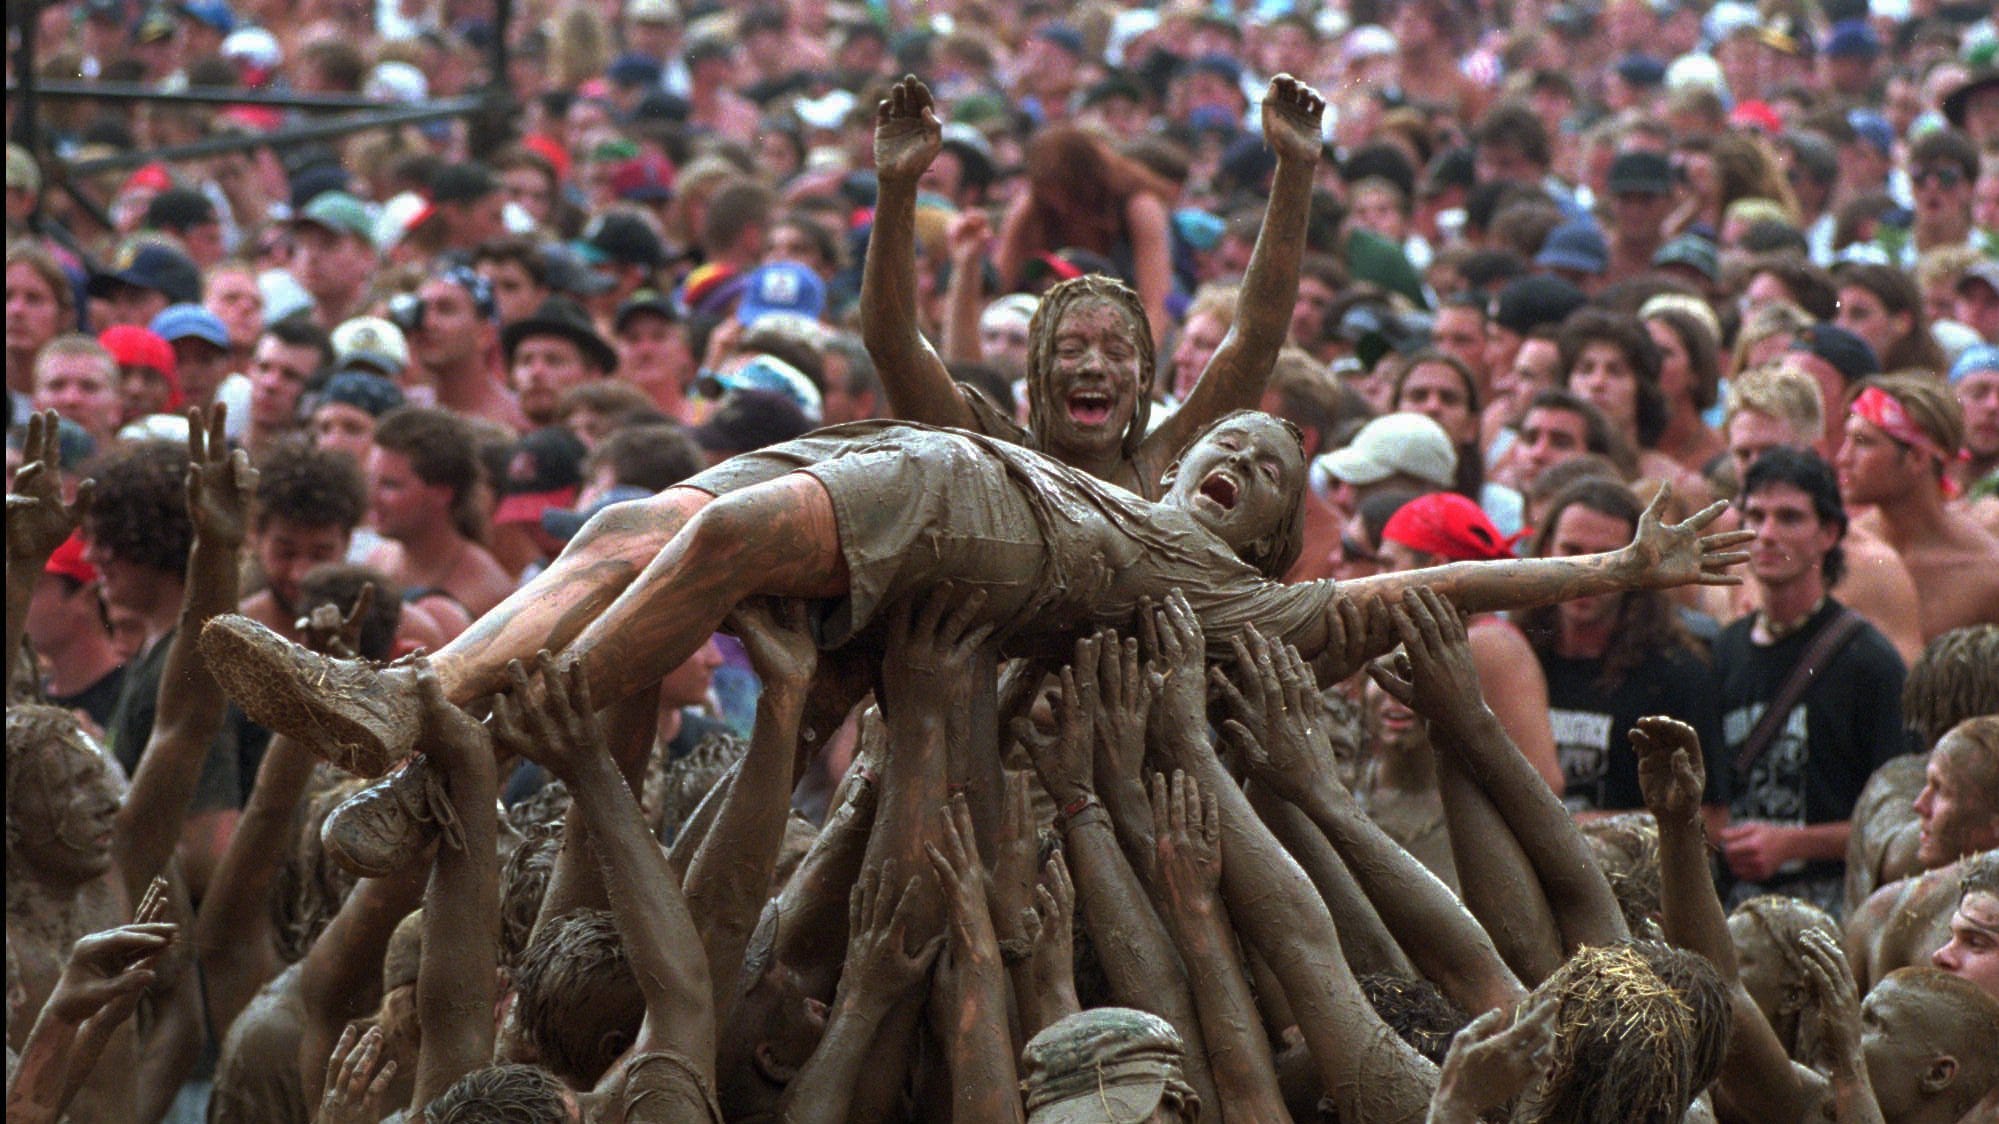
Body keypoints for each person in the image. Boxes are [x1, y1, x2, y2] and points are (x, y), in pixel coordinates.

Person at [202, 409, 1750, 799]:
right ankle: (408, 706)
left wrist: (1603, 568)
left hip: (989, 530)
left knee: (721, 540)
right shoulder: (1119, 467)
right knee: (630, 516)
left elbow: (1435, 578)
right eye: (1222, 439)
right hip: (921, 458)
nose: (1235, 457)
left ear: (1280, 533)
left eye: (1266, 468)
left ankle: (470, 726)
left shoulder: (1244, 602)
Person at [1715, 448, 1908, 913]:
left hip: (1830, 908)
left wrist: (1793, 844)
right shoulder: (1725, 650)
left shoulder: (1868, 661)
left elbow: (1899, 820)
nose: (1766, 534)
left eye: (1789, 518)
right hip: (1735, 909)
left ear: (1829, 533)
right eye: (1755, 516)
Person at [1520, 478, 1726, 821]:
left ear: (1637, 566)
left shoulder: (1674, 674)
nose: (1587, 570)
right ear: (1545, 551)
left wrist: (1587, 830)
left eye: (1607, 556)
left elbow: (1710, 817)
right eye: (1571, 551)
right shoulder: (1517, 658)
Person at [1838, 374, 1999, 640]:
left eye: (1863, 442)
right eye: (1847, 439)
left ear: (1917, 457)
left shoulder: (1985, 571)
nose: (1843, 458)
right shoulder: (1838, 552)